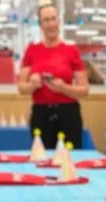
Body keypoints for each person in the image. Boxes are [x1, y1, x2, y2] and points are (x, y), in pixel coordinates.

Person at [17, 3, 89, 149]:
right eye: (46, 20)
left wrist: (63, 88)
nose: (51, 24)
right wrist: (32, 85)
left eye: (53, 19)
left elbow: (84, 90)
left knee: (70, 156)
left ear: (59, 21)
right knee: (42, 157)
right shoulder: (32, 50)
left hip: (68, 113)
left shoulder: (71, 50)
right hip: (41, 113)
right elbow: (21, 87)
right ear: (40, 25)